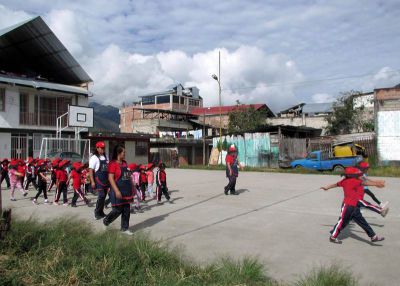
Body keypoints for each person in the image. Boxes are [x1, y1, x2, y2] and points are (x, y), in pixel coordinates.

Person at [321, 167, 386, 244]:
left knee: (362, 222)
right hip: (348, 206)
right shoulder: (354, 181)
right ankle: (333, 237)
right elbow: (365, 183)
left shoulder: (344, 181)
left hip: (354, 206)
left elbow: (335, 184)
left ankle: (373, 237)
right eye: (357, 174)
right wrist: (377, 184)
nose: (358, 175)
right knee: (342, 222)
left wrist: (327, 187)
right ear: (352, 175)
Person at [103, 145, 134, 235]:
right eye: (123, 152)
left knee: (126, 209)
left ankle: (124, 228)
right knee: (117, 209)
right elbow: (110, 178)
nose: (125, 154)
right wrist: (116, 191)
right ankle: (106, 221)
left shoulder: (125, 163)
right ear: (118, 153)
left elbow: (128, 176)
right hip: (117, 190)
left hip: (126, 190)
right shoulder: (113, 164)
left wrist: (133, 187)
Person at [89, 141, 110, 220]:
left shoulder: (106, 156)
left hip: (106, 180)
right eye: (101, 148)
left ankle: (101, 212)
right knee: (101, 196)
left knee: (104, 196)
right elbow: (91, 170)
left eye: (104, 148)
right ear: (97, 148)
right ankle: (96, 212)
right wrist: (92, 181)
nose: (103, 149)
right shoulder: (94, 157)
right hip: (99, 180)